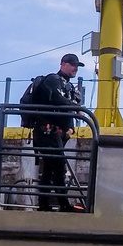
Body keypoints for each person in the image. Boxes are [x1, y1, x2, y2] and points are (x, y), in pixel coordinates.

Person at [33, 53, 84, 212]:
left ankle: (44, 205)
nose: (75, 68)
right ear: (63, 64)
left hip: (59, 134)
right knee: (59, 166)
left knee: (49, 168)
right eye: (73, 64)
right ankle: (62, 204)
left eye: (77, 66)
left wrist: (70, 129)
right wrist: (75, 108)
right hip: (47, 131)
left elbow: (67, 107)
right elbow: (57, 99)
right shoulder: (52, 80)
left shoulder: (68, 86)